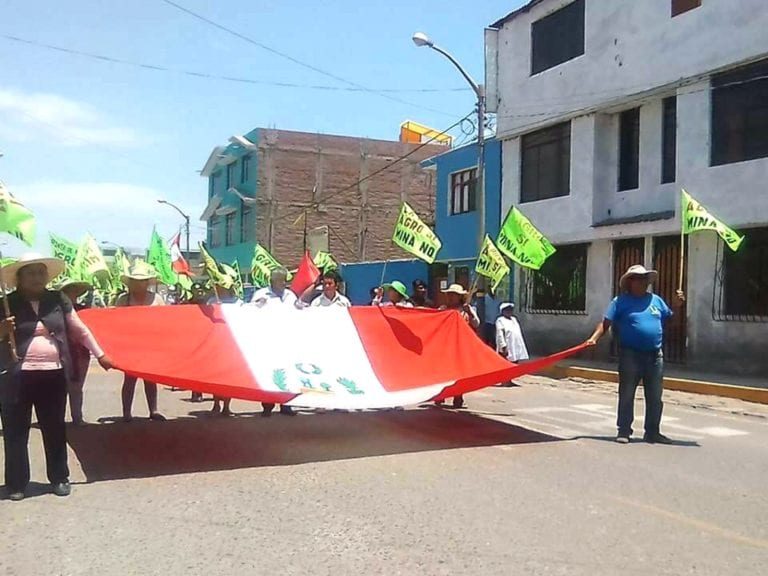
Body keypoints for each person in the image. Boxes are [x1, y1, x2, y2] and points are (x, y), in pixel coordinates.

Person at [0, 254, 113, 501]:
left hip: (53, 374)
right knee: (15, 431)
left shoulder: (58, 300)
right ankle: (17, 483)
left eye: (41, 272)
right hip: (15, 376)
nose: (37, 277)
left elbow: (79, 329)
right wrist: (2, 330)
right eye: (30, 273)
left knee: (54, 428)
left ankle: (60, 478)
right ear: (19, 278)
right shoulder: (6, 303)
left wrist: (101, 354)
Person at [585, 265, 685, 445]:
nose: (642, 282)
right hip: (630, 354)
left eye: (644, 279)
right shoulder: (620, 302)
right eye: (638, 279)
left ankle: (653, 432)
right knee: (627, 393)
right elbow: (605, 323)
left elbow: (672, 322)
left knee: (655, 396)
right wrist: (593, 339)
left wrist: (676, 307)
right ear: (630, 282)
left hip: (655, 355)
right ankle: (624, 430)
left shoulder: (656, 301)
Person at [115, 260, 167, 422]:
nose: (138, 284)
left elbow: (166, 322)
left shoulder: (157, 299)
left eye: (142, 281)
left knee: (150, 380)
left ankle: (154, 410)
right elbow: (114, 323)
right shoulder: (123, 300)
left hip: (150, 346)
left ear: (147, 283)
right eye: (135, 281)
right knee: (129, 380)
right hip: (131, 347)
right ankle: (126, 413)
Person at [250, 267, 297, 416]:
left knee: (288, 374)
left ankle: (286, 404)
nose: (283, 284)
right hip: (268, 342)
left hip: (288, 341)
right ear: (273, 281)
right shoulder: (261, 294)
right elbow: (248, 313)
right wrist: (256, 306)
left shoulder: (290, 295)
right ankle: (267, 406)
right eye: (280, 281)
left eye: (285, 281)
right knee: (269, 375)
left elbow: (296, 313)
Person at [436, 284, 480, 409]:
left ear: (459, 297)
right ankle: (440, 395)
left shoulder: (466, 309)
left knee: (460, 373)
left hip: (460, 346)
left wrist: (470, 312)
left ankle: (458, 397)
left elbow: (476, 324)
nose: (451, 297)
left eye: (453, 295)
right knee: (443, 372)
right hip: (445, 346)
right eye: (449, 294)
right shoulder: (443, 309)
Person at [58, 279, 94, 425]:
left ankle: (77, 417)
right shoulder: (55, 310)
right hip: (61, 352)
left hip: (81, 353)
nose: (71, 293)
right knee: (59, 387)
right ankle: (56, 418)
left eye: (73, 290)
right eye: (68, 290)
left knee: (77, 387)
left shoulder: (85, 310)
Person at [208, 280, 242, 415]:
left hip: (232, 343)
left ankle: (227, 406)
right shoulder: (212, 300)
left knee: (229, 376)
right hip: (216, 342)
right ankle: (216, 403)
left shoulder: (237, 302)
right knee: (216, 376)